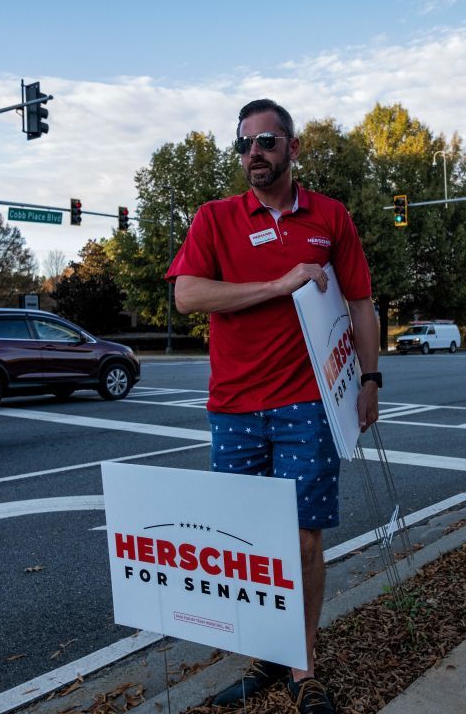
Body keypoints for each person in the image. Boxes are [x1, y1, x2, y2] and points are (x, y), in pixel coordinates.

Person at [165, 99, 381, 714]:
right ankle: (265, 654)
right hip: (233, 406)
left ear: (292, 147)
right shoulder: (215, 218)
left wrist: (370, 379)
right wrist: (278, 283)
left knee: (305, 540)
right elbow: (187, 296)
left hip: (306, 404)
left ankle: (303, 666)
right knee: (247, 542)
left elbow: (361, 302)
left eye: (265, 142)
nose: (252, 154)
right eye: (243, 145)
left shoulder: (330, 217)